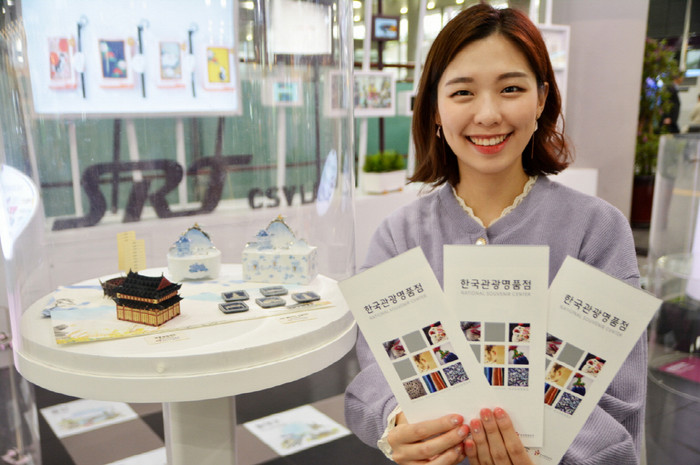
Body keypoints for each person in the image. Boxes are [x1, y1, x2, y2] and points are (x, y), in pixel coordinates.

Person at [344, 4, 646, 465]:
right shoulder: (399, 236)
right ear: (435, 108)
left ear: (541, 99)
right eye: (463, 92)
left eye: (510, 89)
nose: (488, 115)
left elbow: (620, 402)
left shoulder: (596, 230)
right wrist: (398, 422)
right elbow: (374, 370)